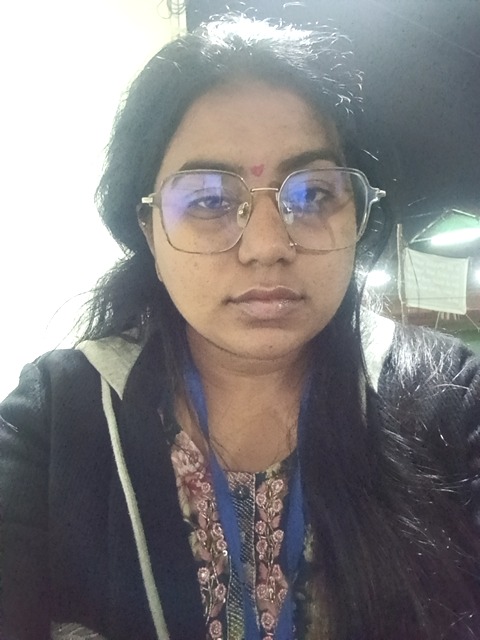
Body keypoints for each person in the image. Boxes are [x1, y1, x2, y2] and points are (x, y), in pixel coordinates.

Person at [1, 14, 479, 640]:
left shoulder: (453, 400)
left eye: (313, 195)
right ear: (148, 230)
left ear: (358, 212)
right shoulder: (57, 418)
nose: (267, 246)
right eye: (208, 200)